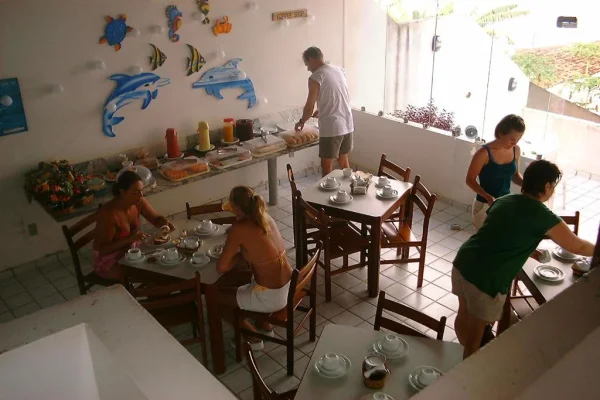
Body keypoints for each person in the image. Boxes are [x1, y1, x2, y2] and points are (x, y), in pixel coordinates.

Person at [452, 160, 595, 359]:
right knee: (477, 335)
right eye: (553, 185)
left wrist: (530, 252)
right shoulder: (543, 216)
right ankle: (467, 367)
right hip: (487, 279)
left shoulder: (504, 200)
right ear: (547, 186)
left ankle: (462, 355)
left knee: (464, 314)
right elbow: (578, 246)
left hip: (464, 262)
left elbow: (501, 235)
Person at [216, 186, 293, 349]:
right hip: (288, 287)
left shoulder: (239, 228)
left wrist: (237, 255)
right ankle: (265, 326)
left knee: (215, 298)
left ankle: (254, 338)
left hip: (268, 295)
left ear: (236, 208)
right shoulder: (264, 217)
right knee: (246, 278)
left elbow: (222, 267)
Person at [93, 171, 175, 281]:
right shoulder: (109, 215)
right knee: (151, 273)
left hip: (131, 250)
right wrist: (129, 239)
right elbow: (102, 250)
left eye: (141, 190)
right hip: (109, 260)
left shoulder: (138, 201)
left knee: (164, 260)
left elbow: (155, 219)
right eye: (136, 192)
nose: (141, 195)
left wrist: (164, 223)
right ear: (122, 192)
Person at [295, 46, 354, 177]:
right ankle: (351, 187)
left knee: (326, 165)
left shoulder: (316, 77)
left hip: (333, 127)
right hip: (347, 123)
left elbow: (309, 106)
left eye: (307, 64)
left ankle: (327, 190)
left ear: (311, 59)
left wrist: (302, 121)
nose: (308, 69)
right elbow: (336, 95)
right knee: (343, 161)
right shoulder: (339, 70)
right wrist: (322, 110)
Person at [466, 114, 526, 231]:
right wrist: (488, 197)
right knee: (485, 240)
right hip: (484, 205)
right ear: (501, 133)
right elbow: (469, 180)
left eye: (518, 139)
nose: (515, 143)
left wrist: (530, 186)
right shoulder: (483, 153)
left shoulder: (516, 150)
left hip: (504, 204)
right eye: (512, 139)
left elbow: (515, 175)